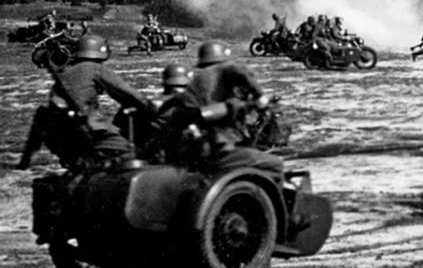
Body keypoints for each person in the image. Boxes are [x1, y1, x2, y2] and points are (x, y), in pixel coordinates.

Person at [17, 34, 155, 170]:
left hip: (58, 136)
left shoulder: (66, 73)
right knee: (135, 152)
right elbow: (129, 94)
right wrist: (152, 107)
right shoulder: (95, 68)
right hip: (85, 131)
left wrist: (25, 161)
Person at [166, 41, 282, 174]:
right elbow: (241, 72)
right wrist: (260, 96)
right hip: (212, 151)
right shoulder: (223, 70)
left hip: (188, 148)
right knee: (275, 164)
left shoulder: (198, 80)